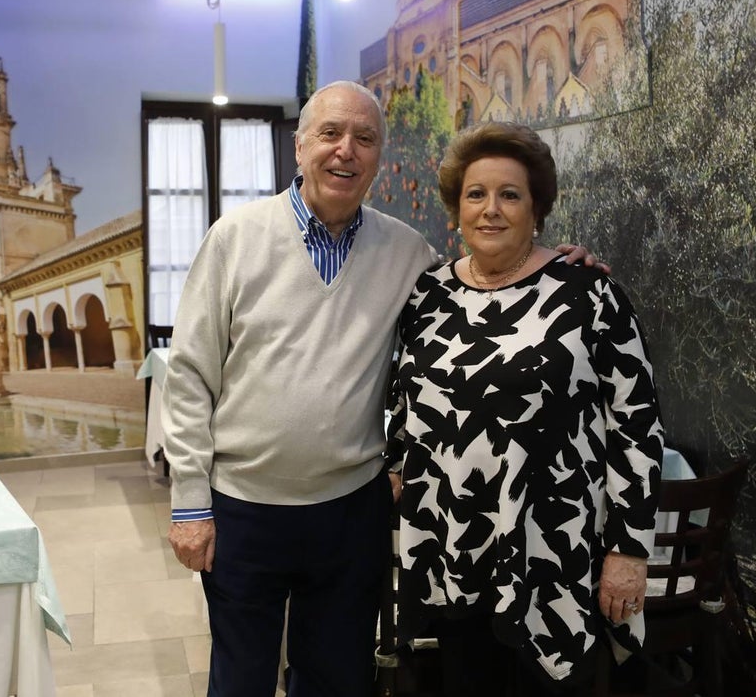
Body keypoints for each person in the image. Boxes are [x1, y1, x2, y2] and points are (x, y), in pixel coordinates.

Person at [163, 81, 605, 697]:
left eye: (364, 139)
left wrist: (555, 263)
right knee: (240, 678)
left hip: (350, 513)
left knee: (339, 678)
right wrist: (190, 503)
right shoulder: (234, 239)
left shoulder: (407, 253)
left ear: (378, 156)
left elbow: (483, 276)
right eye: (331, 134)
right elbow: (188, 376)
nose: (346, 150)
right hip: (245, 508)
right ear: (299, 147)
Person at [387, 121, 664, 696]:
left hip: (555, 558)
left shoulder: (586, 292)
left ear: (536, 207)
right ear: (456, 209)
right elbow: (401, 399)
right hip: (452, 551)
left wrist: (630, 549)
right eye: (476, 194)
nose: (491, 209)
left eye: (509, 194)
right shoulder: (429, 294)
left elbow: (636, 423)